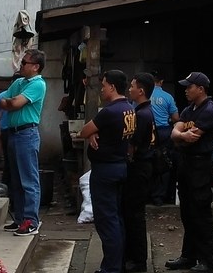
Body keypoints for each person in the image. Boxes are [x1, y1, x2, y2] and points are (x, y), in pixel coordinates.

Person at [78, 70, 135, 273]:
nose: (102, 89)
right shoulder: (129, 109)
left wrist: (91, 133)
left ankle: (111, 268)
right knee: (116, 218)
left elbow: (84, 130)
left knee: (107, 221)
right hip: (119, 165)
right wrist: (95, 133)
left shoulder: (110, 111)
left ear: (112, 86)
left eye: (103, 85)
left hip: (105, 170)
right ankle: (115, 264)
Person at [165, 72, 213, 273]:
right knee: (187, 213)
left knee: (201, 213)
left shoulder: (209, 110)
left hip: (200, 166)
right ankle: (188, 256)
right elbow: (176, 133)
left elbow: (192, 138)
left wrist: (181, 136)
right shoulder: (189, 109)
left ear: (201, 88)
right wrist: (180, 135)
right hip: (185, 164)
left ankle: (207, 261)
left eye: (190, 87)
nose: (186, 90)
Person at [0, 49, 47, 236]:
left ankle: (31, 221)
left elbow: (14, 103)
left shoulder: (38, 84)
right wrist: (8, 102)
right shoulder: (19, 82)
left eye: (25, 62)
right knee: (16, 180)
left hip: (27, 134)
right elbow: (4, 100)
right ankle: (20, 218)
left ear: (35, 67)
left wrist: (8, 103)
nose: (21, 64)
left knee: (29, 180)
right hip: (14, 133)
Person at [123, 72, 156, 273]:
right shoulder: (145, 111)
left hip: (140, 168)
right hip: (143, 167)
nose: (130, 89)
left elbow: (132, 146)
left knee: (135, 215)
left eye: (132, 86)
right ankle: (134, 257)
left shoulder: (142, 114)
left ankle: (138, 261)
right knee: (133, 214)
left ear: (141, 91)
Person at [149, 71, 179, 205]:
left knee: (147, 161)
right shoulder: (168, 97)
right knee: (165, 163)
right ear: (161, 82)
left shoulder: (142, 95)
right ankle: (160, 197)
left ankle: (147, 195)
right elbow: (176, 118)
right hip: (164, 132)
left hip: (148, 133)